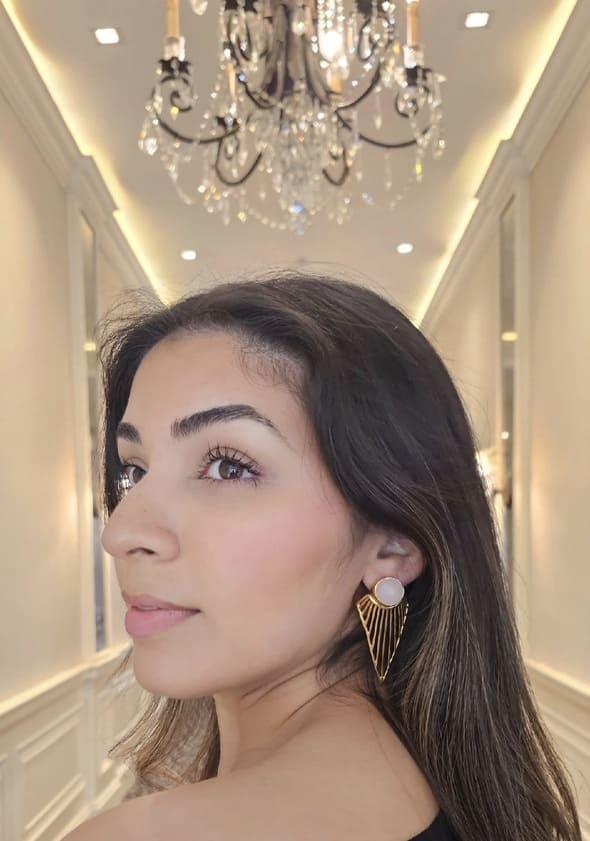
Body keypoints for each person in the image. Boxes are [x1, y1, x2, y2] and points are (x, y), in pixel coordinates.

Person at [63, 272, 581, 841]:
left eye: (229, 467)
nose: (122, 533)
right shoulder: (416, 771)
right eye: (133, 471)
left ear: (391, 545)